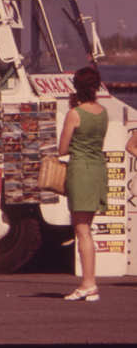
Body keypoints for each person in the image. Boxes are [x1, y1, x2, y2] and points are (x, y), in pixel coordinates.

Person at [58, 66, 107, 302]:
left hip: (81, 170)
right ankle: (90, 284)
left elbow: (63, 148)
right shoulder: (103, 112)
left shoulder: (75, 113)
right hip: (98, 169)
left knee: (82, 230)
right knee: (86, 228)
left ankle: (89, 284)